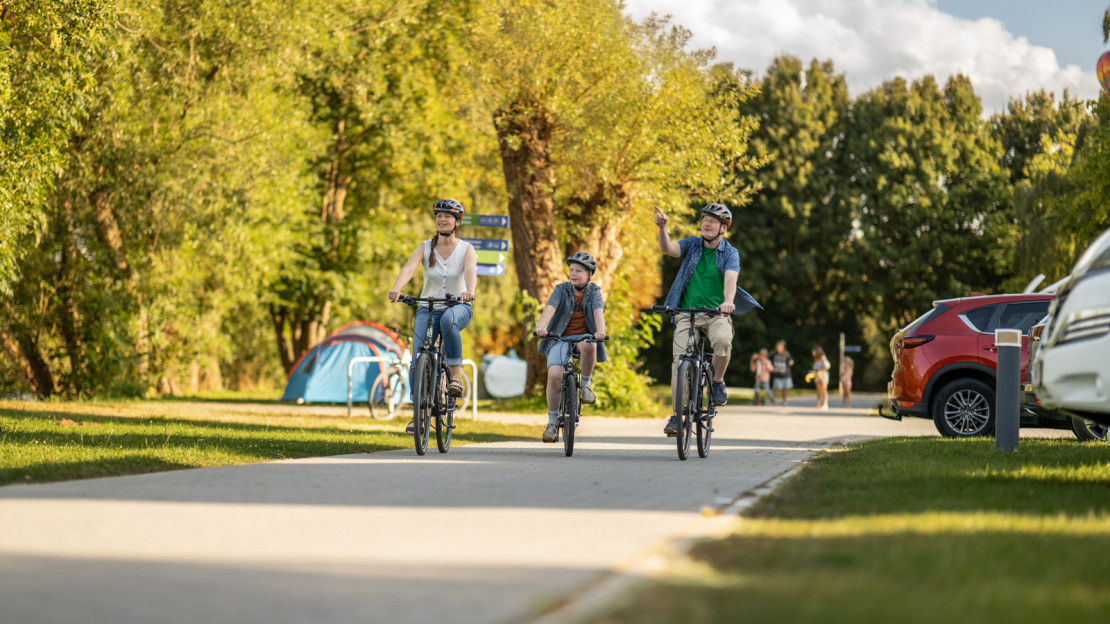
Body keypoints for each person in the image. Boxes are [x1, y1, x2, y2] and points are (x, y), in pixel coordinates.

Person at [388, 198, 477, 435]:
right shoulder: (425, 247)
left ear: (457, 221)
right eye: (439, 216)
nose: (442, 219)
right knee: (418, 359)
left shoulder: (466, 249)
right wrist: (397, 288)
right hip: (427, 307)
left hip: (458, 306)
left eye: (447, 216)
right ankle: (418, 414)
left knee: (449, 320)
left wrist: (469, 292)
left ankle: (454, 378)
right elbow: (408, 268)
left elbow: (470, 271)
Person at [655, 203, 742, 437]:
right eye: (705, 219)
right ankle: (677, 416)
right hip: (686, 312)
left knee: (722, 340)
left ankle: (718, 381)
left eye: (713, 221)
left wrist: (728, 302)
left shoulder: (730, 253)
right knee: (679, 362)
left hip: (717, 312)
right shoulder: (693, 244)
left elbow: (730, 281)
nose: (707, 223)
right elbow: (668, 248)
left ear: (723, 228)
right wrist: (662, 228)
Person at [534, 252, 607, 443]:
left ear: (589, 274)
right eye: (571, 270)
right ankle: (552, 422)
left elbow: (598, 312)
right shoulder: (561, 289)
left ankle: (585, 385)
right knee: (555, 376)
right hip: (559, 338)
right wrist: (541, 327)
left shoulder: (594, 292)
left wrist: (600, 332)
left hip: (583, 337)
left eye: (579, 271)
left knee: (590, 346)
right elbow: (550, 308)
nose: (574, 274)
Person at [770, 340, 794, 406]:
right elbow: (767, 359)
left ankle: (784, 401)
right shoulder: (773, 353)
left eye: (780, 347)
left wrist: (791, 362)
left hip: (786, 374)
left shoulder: (786, 354)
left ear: (783, 347)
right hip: (777, 374)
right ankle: (773, 401)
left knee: (785, 389)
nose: (779, 349)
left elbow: (790, 360)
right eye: (777, 347)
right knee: (775, 388)